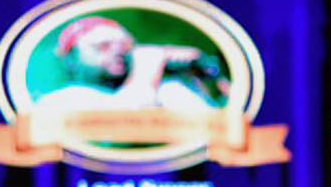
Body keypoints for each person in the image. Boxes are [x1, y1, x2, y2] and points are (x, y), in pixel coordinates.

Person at [30, 14, 229, 114]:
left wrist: (208, 82)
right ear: (71, 60)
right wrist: (149, 63)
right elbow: (127, 116)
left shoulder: (167, 89)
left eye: (125, 46)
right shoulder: (60, 100)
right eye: (103, 46)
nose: (118, 51)